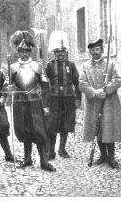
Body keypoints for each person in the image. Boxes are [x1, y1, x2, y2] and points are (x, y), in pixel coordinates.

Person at [9, 30, 56, 172]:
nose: (24, 54)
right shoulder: (13, 68)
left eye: (27, 51)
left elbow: (46, 87)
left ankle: (43, 160)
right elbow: (8, 85)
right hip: (19, 103)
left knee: (38, 131)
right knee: (24, 130)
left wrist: (46, 105)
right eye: (21, 51)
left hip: (35, 103)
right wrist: (9, 87)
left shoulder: (37, 66)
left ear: (30, 51)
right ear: (18, 51)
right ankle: (27, 158)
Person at [79, 39, 121, 169]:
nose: (95, 52)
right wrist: (95, 93)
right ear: (90, 52)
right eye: (92, 50)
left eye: (97, 49)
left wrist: (106, 90)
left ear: (102, 50)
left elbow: (118, 79)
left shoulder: (110, 64)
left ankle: (111, 157)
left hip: (109, 102)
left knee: (108, 127)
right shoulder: (84, 66)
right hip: (93, 102)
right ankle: (103, 155)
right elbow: (82, 83)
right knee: (97, 128)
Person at [45, 31, 81, 160]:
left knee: (66, 124)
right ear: (54, 53)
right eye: (57, 52)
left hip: (68, 99)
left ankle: (62, 149)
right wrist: (46, 103)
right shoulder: (49, 66)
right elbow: (44, 84)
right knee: (52, 124)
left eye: (62, 52)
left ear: (65, 52)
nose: (60, 54)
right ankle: (50, 151)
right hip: (54, 99)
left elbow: (78, 83)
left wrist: (78, 99)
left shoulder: (71, 66)